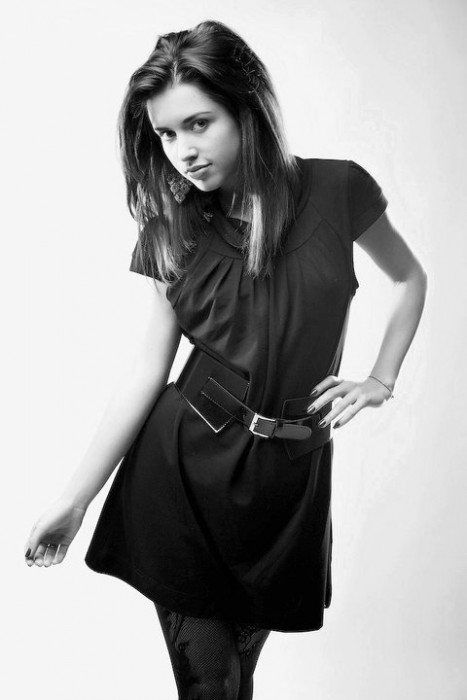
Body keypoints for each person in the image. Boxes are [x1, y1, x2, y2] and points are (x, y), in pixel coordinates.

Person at [24, 19, 428, 700]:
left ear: (247, 108)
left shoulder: (339, 189)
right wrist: (75, 499)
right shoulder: (170, 232)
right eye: (165, 133)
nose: (182, 150)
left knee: (238, 682)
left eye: (198, 123)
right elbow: (146, 371)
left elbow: (409, 278)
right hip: (183, 474)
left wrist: (380, 379)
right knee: (210, 686)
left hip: (288, 484)